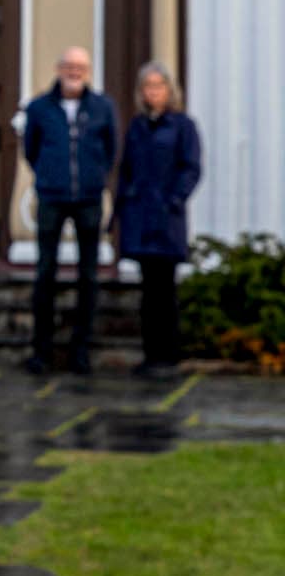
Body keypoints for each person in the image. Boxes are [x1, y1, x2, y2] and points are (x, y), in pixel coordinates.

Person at [20, 45, 117, 375]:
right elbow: (30, 150)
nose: (74, 72)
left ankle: (81, 350)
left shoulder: (103, 108)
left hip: (89, 198)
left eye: (80, 67)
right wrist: (50, 176)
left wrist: (95, 177)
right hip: (51, 197)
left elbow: (110, 150)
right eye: (69, 66)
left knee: (88, 275)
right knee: (45, 271)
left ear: (88, 71)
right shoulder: (39, 108)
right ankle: (42, 350)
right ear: (58, 69)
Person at [116, 61, 203, 378]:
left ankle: (168, 355)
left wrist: (174, 199)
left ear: (169, 90)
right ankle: (150, 354)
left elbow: (191, 167)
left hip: (166, 218)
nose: (153, 92)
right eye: (147, 87)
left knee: (165, 289)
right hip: (140, 216)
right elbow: (126, 168)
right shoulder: (138, 126)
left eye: (158, 86)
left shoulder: (182, 126)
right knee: (148, 289)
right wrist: (124, 202)